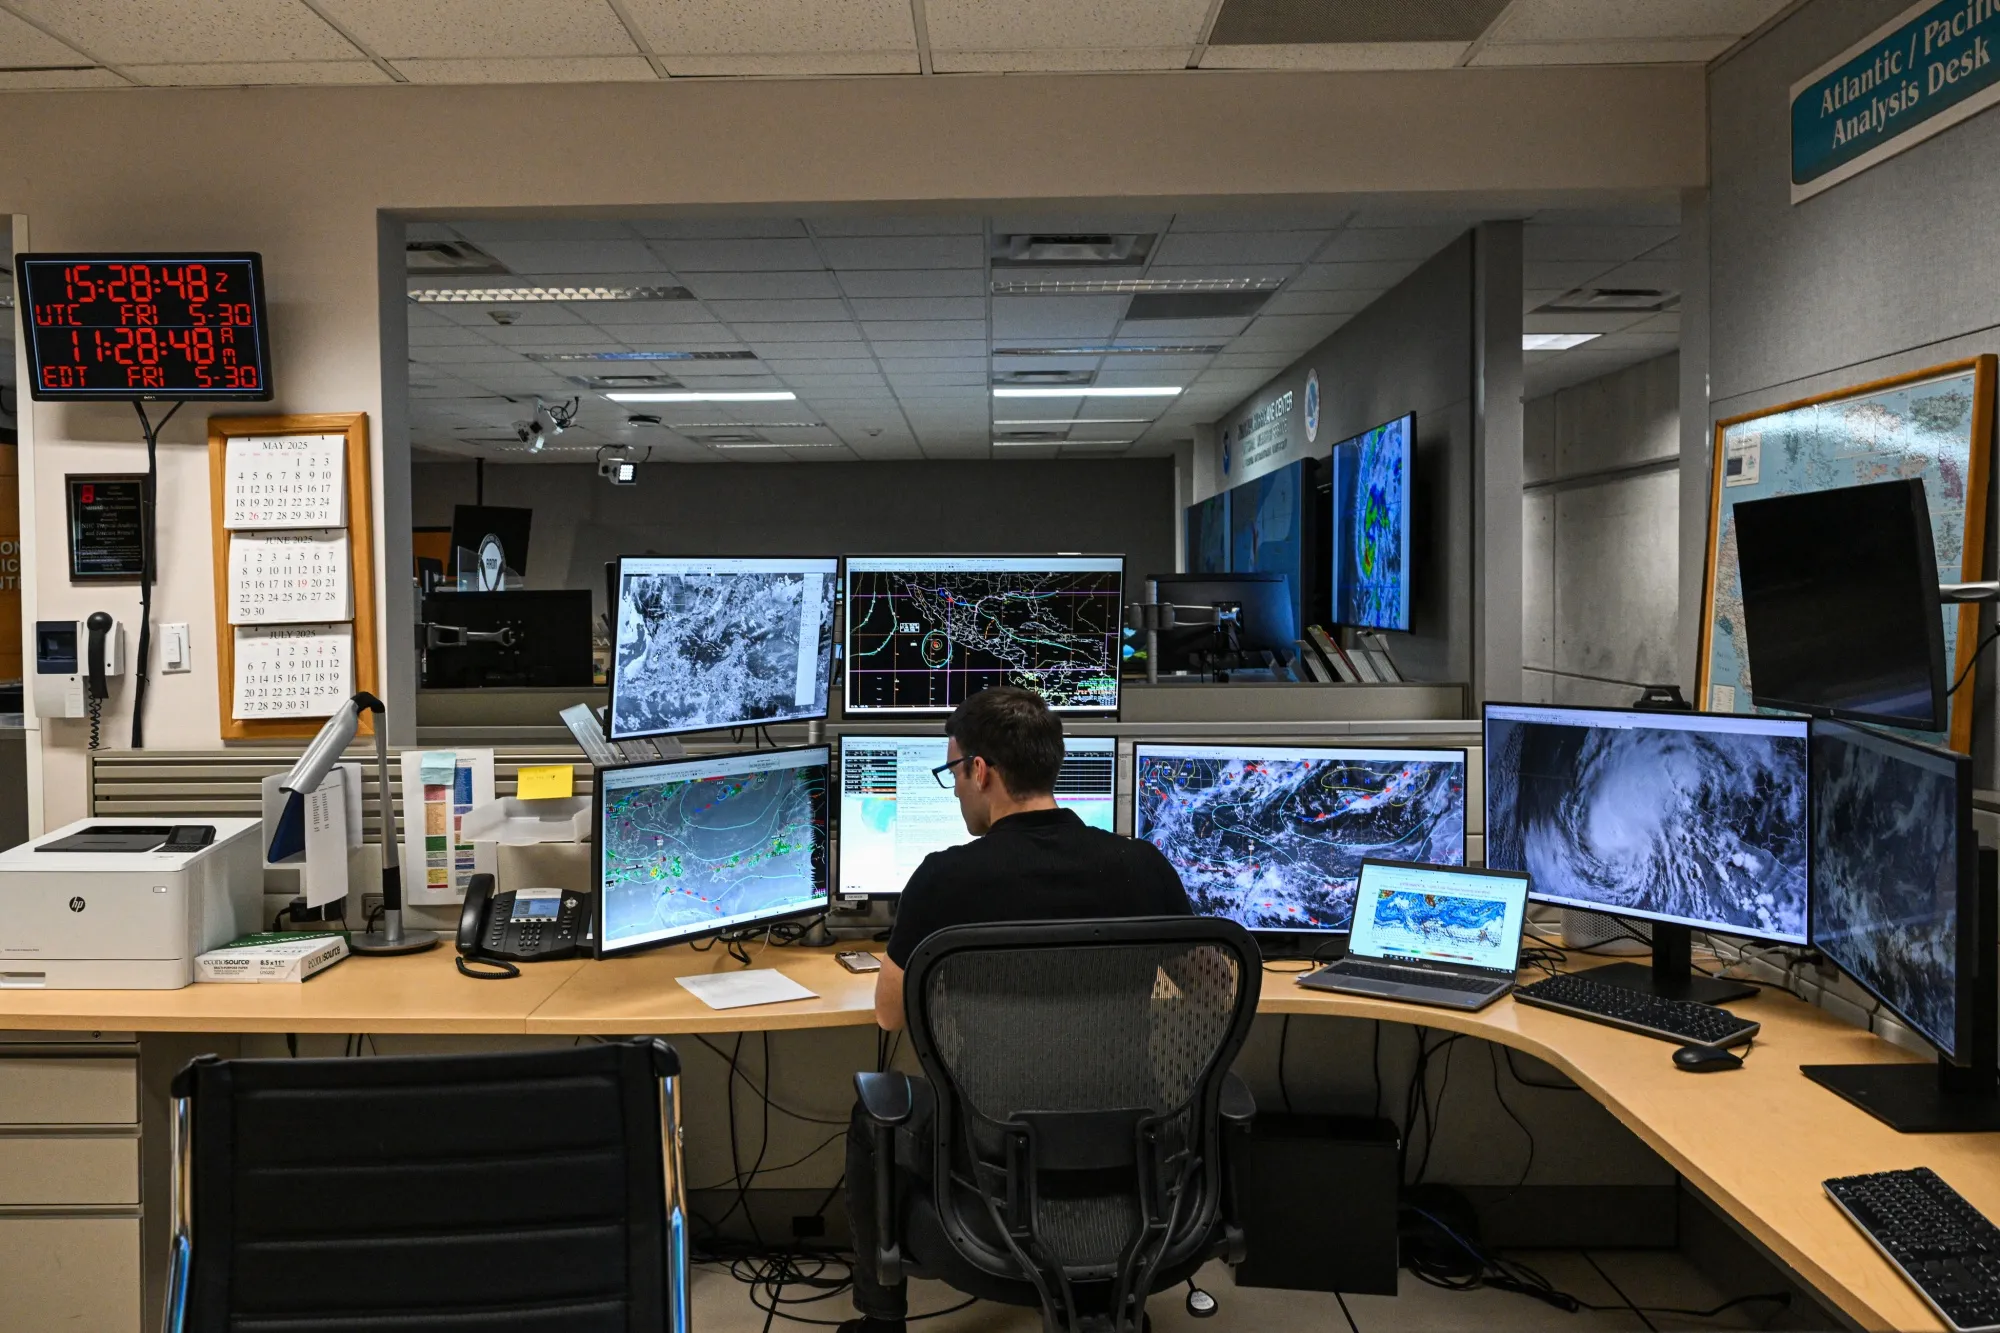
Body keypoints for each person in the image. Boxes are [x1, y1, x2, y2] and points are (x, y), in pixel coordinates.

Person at [841, 686, 1192, 1333]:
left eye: (953, 772)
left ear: (981, 770)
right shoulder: (1142, 867)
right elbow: (1208, 990)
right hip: (1136, 1172)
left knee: (874, 1114)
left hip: (988, 1178)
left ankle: (881, 1319)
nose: (954, 791)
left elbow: (888, 1014)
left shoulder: (944, 879)